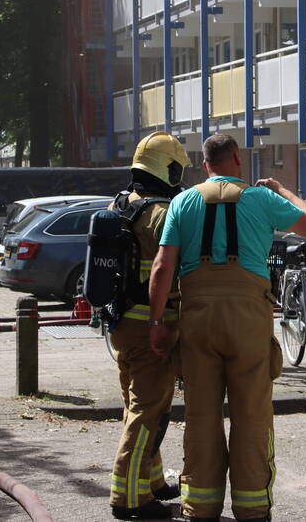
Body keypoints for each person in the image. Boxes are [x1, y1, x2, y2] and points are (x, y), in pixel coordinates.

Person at [147, 133, 306, 522]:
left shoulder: (183, 201)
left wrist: (157, 323)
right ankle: (253, 509)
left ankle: (200, 508)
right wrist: (283, 189)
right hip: (248, 318)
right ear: (237, 159)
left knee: (201, 416)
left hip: (198, 319)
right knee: (251, 415)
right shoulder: (261, 198)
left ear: (204, 164)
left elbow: (162, 268)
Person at [108, 131, 190, 521]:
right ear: (168, 168)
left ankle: (152, 481)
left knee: (138, 406)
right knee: (148, 412)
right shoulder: (159, 213)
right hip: (150, 329)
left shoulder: (122, 202)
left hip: (123, 325)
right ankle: (128, 498)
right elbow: (175, 264)